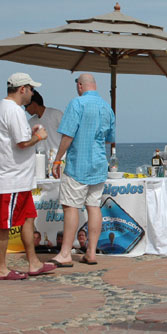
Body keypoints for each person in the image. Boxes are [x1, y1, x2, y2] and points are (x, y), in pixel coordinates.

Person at [0, 73, 56, 280]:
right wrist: (38, 136)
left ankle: (33, 262)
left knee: (27, 218)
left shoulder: (3, 107)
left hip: (16, 179)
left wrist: (31, 133)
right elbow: (22, 143)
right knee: (5, 224)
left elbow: (18, 138)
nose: (33, 93)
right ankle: (0, 268)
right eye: (31, 89)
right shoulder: (14, 110)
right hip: (10, 179)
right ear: (22, 89)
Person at [50, 73, 115, 267]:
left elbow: (68, 135)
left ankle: (65, 253)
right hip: (98, 163)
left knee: (71, 207)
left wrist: (57, 159)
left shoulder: (76, 104)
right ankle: (91, 252)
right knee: (93, 206)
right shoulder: (107, 107)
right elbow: (110, 138)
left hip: (79, 163)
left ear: (80, 86)